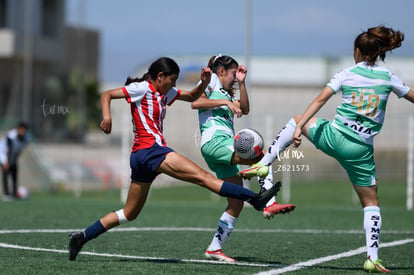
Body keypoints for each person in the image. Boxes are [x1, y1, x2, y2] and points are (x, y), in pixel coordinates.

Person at [68, 57, 281, 261]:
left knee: (129, 212)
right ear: (160, 76)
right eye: (172, 79)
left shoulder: (164, 93)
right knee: (203, 177)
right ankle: (255, 198)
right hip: (152, 151)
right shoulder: (142, 88)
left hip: (140, 157)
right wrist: (107, 117)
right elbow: (107, 94)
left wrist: (204, 83)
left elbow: (190, 97)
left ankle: (82, 237)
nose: (174, 84)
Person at [239, 26, 414, 273]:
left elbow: (320, 100)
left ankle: (264, 163)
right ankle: (372, 259)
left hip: (334, 136)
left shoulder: (346, 74)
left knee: (296, 118)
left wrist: (299, 127)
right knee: (371, 202)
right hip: (360, 150)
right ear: (379, 52)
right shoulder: (388, 78)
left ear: (357, 51)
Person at [191, 55, 295, 262]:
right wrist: (225, 103)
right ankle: (269, 203)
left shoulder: (227, 93)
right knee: (262, 156)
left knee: (236, 203)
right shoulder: (210, 80)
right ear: (221, 71)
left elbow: (245, 108)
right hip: (216, 142)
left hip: (220, 147)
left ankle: (214, 248)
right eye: (232, 73)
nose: (234, 77)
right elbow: (195, 102)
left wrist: (242, 83)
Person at [0, 122, 30, 201]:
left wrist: (14, 160)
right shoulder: (11, 136)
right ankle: (6, 194)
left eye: (24, 130)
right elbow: (7, 149)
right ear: (18, 129)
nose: (22, 132)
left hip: (12, 155)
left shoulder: (26, 138)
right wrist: (6, 162)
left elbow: (20, 149)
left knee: (14, 173)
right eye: (21, 130)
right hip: (3, 154)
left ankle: (14, 193)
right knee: (6, 173)